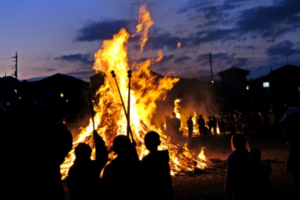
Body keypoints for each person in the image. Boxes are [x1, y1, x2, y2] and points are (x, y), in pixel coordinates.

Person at [67, 130, 108, 200]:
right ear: (88, 154)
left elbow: (70, 185)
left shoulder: (73, 169)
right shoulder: (93, 166)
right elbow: (103, 156)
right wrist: (98, 140)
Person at [102, 135, 140, 200]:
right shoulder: (137, 166)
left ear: (115, 149)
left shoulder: (110, 168)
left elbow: (105, 190)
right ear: (129, 147)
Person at [141, 131, 173, 200]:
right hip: (165, 192)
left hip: (153, 193)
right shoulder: (164, 156)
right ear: (159, 142)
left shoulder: (147, 160)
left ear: (146, 144)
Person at [279, 107, 300, 199]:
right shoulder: (294, 133)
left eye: (288, 121)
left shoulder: (297, 133)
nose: (287, 124)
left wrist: (291, 163)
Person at [225, 134, 253, 200]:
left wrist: (227, 188)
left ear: (234, 144)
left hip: (237, 186)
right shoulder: (249, 156)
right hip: (248, 185)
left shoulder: (232, 157)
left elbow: (229, 174)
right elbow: (252, 172)